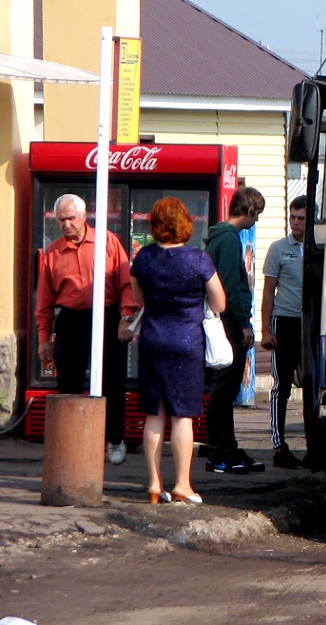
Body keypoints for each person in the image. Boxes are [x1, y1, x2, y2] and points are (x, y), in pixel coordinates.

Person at [127, 197, 226, 504]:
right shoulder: (198, 259)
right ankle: (182, 484)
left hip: (153, 340)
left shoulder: (143, 258)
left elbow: (138, 297)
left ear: (154, 224)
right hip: (186, 342)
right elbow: (219, 303)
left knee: (154, 415)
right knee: (182, 416)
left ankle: (155, 485)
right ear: (186, 223)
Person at [35, 193, 136, 466]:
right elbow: (44, 299)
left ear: (84, 217)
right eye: (61, 220)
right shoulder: (53, 252)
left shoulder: (108, 242)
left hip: (105, 314)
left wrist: (126, 317)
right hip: (70, 320)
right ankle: (71, 443)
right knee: (68, 383)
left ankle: (114, 439)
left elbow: (126, 283)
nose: (67, 224)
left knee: (111, 382)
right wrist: (44, 338)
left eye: (71, 218)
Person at [202, 186, 266, 474]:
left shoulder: (219, 236)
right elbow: (230, 285)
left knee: (224, 391)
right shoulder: (229, 240)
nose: (256, 220)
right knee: (224, 390)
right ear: (249, 209)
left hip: (223, 320)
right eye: (257, 213)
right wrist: (243, 323)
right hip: (229, 323)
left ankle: (227, 448)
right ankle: (218, 452)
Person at [261, 195, 307, 469]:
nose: (296, 223)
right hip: (284, 320)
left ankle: (316, 445)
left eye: (301, 218)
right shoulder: (279, 248)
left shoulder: (320, 247)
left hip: (310, 322)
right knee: (282, 385)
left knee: (313, 385)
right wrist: (265, 330)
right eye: (293, 218)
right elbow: (268, 291)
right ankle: (279, 446)